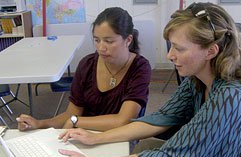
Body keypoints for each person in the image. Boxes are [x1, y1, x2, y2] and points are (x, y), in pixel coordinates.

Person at [40, 3, 241, 157]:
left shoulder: (229, 96)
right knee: (144, 150)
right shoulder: (197, 80)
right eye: (171, 45)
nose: (169, 55)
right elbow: (160, 118)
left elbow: (172, 156)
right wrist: (96, 138)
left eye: (179, 48)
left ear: (211, 51)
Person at [16, 7, 151, 132]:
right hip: (83, 132)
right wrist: (40, 124)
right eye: (97, 40)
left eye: (109, 41)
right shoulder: (87, 64)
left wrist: (76, 121)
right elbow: (72, 113)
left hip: (118, 137)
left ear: (128, 40)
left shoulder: (139, 67)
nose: (101, 48)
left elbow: (123, 120)